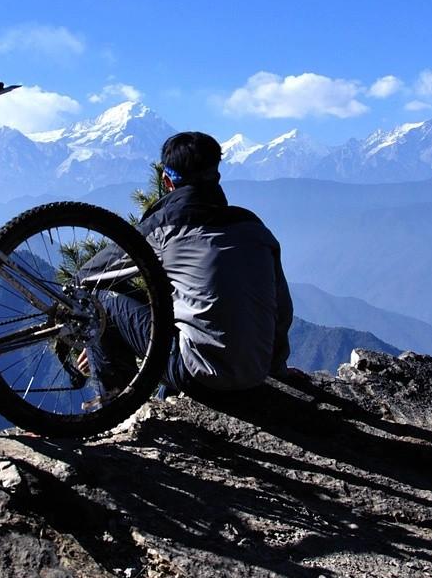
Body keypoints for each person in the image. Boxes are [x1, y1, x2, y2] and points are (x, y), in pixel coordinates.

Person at [79, 130, 293, 396]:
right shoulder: (254, 227)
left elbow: (88, 275)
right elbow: (281, 308)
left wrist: (94, 330)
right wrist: (275, 368)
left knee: (102, 297)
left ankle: (110, 409)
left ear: (167, 181)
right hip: (256, 372)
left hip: (198, 376)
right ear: (217, 176)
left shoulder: (165, 227)